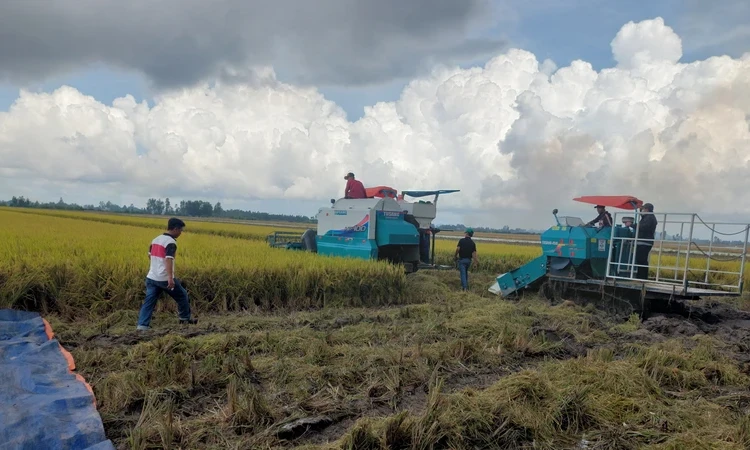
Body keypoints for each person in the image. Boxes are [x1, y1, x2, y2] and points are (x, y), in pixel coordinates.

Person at [136, 217, 197, 331]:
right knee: (182, 295)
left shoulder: (155, 239)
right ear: (175, 229)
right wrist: (170, 278)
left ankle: (142, 326)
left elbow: (149, 255)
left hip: (151, 277)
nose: (180, 233)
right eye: (180, 230)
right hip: (164, 278)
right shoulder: (171, 242)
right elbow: (168, 259)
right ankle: (184, 318)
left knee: (149, 302)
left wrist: (156, 266)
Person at [634, 203, 657, 280]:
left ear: (647, 209)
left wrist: (633, 225)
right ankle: (641, 277)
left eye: (643, 209)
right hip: (644, 241)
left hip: (645, 241)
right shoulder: (647, 217)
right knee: (641, 260)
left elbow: (643, 227)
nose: (642, 210)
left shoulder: (650, 218)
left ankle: (642, 277)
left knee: (642, 260)